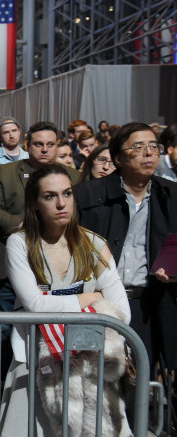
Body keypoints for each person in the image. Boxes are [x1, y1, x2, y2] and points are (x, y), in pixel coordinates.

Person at [0, 163, 130, 437]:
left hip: (89, 368)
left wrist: (60, 303)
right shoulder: (20, 243)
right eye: (50, 196)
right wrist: (90, 298)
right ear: (35, 203)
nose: (61, 203)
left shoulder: (94, 243)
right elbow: (35, 305)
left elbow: (122, 311)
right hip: (35, 361)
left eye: (67, 193)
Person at [76, 122, 177, 380]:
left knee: (139, 384)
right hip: (99, 303)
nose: (149, 153)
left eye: (154, 146)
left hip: (149, 303)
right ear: (118, 158)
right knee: (95, 384)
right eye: (138, 147)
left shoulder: (170, 195)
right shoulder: (88, 195)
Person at [0, 122, 81, 372]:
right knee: (5, 331)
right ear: (28, 145)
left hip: (57, 268)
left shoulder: (74, 178)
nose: (44, 149)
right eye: (38, 144)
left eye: (50, 144)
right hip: (8, 264)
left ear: (58, 146)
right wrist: (23, 225)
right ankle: (2, 387)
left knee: (52, 329)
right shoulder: (6, 172)